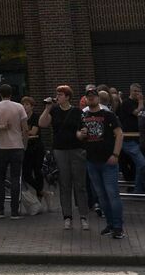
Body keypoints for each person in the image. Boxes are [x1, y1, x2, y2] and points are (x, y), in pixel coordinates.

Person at [39, 85, 89, 230]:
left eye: (60, 95)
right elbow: (42, 123)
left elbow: (82, 128)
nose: (58, 97)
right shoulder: (54, 111)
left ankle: (83, 216)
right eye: (57, 94)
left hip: (76, 149)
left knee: (80, 185)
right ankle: (67, 216)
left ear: (67, 97)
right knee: (64, 184)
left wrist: (81, 134)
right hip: (60, 150)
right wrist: (47, 108)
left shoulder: (77, 111)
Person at [80, 85, 124, 238]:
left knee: (112, 194)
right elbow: (78, 135)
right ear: (86, 98)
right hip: (92, 160)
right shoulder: (82, 116)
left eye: (93, 95)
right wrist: (81, 134)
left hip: (108, 161)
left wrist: (115, 154)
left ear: (98, 98)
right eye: (88, 96)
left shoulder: (108, 114)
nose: (91, 97)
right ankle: (110, 224)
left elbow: (119, 134)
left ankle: (118, 227)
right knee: (101, 195)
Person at [0, 83, 28, 219]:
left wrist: (0, 127)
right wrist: (24, 144)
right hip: (17, 146)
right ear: (11, 93)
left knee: (0, 179)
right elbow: (25, 129)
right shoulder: (19, 107)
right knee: (16, 178)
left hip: (1, 147)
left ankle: (0, 209)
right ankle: (14, 211)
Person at [117, 84, 145, 194]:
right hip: (129, 140)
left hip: (141, 139)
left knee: (140, 166)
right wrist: (141, 102)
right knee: (142, 165)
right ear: (131, 91)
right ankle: (144, 189)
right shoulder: (127, 103)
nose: (137, 93)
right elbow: (138, 113)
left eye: (139, 91)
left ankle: (140, 190)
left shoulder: (142, 104)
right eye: (135, 91)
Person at [21, 95, 44, 201]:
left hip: (36, 147)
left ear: (32, 106)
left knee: (37, 170)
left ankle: (39, 194)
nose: (25, 107)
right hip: (26, 147)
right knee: (26, 173)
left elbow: (33, 132)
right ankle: (41, 190)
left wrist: (24, 132)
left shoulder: (36, 117)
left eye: (27, 105)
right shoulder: (22, 119)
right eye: (23, 104)